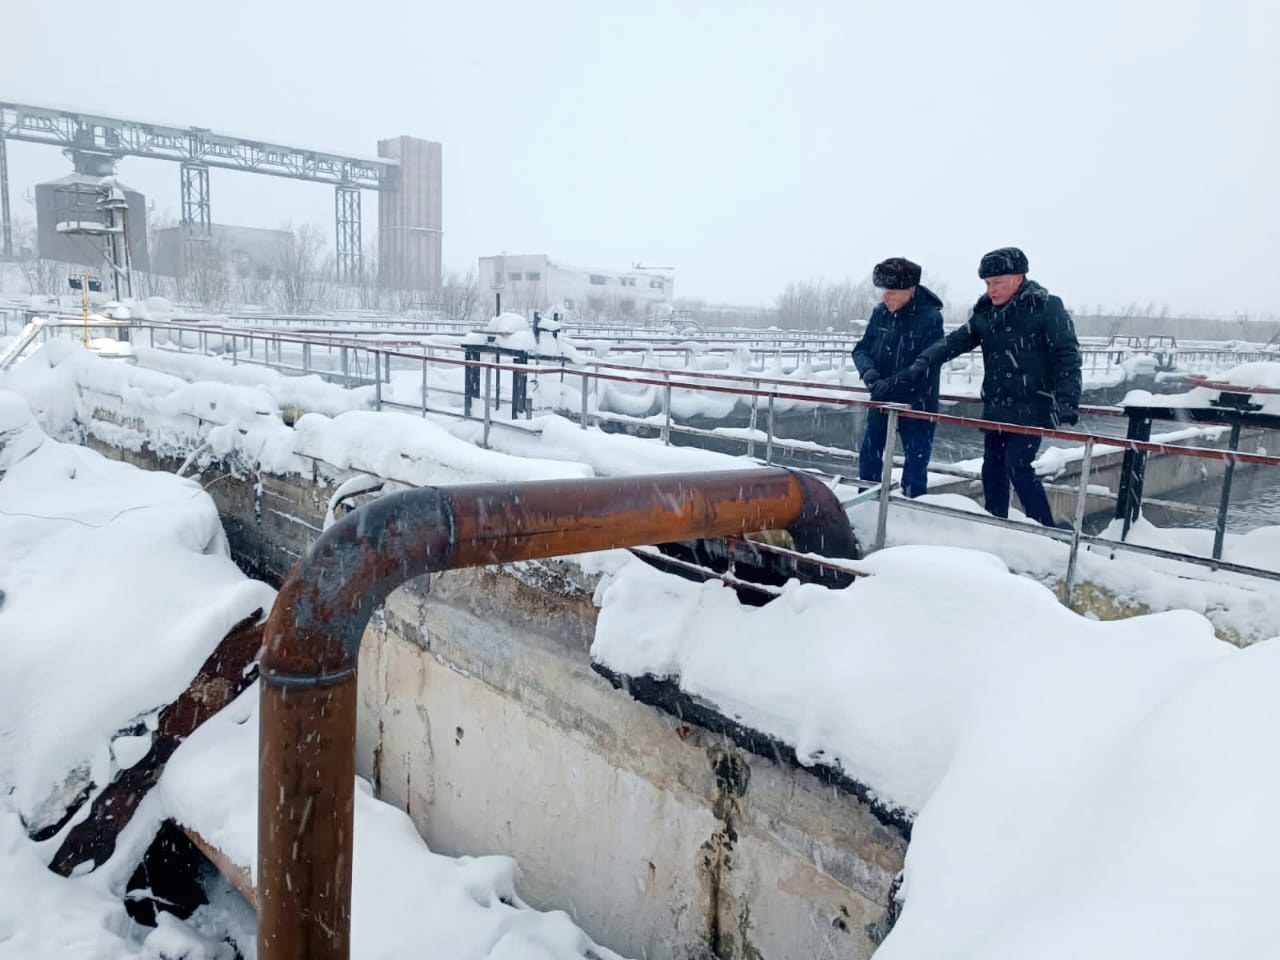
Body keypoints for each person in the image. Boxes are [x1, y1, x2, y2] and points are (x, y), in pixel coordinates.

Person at [906, 246, 1082, 526]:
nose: (991, 290)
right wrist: (922, 363)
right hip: (998, 405)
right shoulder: (986, 313)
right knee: (992, 469)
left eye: (997, 282)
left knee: (1018, 466)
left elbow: (1067, 355)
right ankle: (996, 525)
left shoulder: (1046, 307)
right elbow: (956, 342)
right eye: (987, 283)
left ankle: (1048, 532)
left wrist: (1067, 401)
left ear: (1019, 277)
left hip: (1033, 404)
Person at [851, 257, 944, 498]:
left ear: (909, 290)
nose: (885, 298)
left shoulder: (930, 318)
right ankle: (868, 500)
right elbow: (861, 348)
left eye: (891, 292)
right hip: (881, 400)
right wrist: (869, 373)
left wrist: (893, 383)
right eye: (884, 291)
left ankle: (912, 509)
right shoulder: (881, 313)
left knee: (915, 460)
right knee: (870, 454)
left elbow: (927, 364)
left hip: (917, 403)